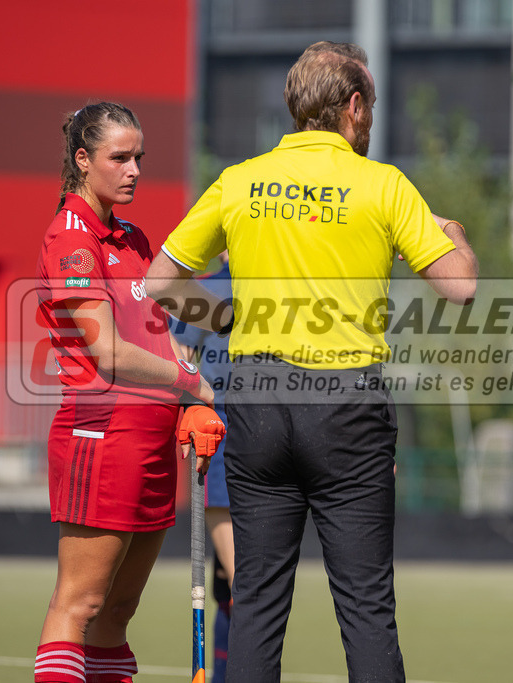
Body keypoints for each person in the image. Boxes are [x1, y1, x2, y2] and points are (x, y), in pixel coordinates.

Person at [146, 41, 478, 683]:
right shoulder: (383, 183)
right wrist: (456, 240)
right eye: (371, 106)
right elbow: (460, 287)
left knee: (258, 604)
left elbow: (161, 282)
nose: (371, 118)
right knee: (365, 608)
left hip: (256, 399)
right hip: (346, 407)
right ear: (353, 107)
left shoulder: (239, 181)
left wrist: (229, 319)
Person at [33, 101, 226, 683]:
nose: (134, 169)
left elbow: (182, 324)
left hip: (149, 437)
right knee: (81, 603)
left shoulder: (134, 238)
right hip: (100, 434)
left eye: (139, 157)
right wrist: (194, 384)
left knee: (117, 614)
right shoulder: (70, 236)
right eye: (120, 158)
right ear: (84, 159)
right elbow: (108, 350)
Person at [171, 252, 235, 683]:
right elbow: (178, 352)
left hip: (279, 450)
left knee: (234, 588)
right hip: (225, 449)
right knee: (247, 582)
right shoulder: (207, 291)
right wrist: (195, 397)